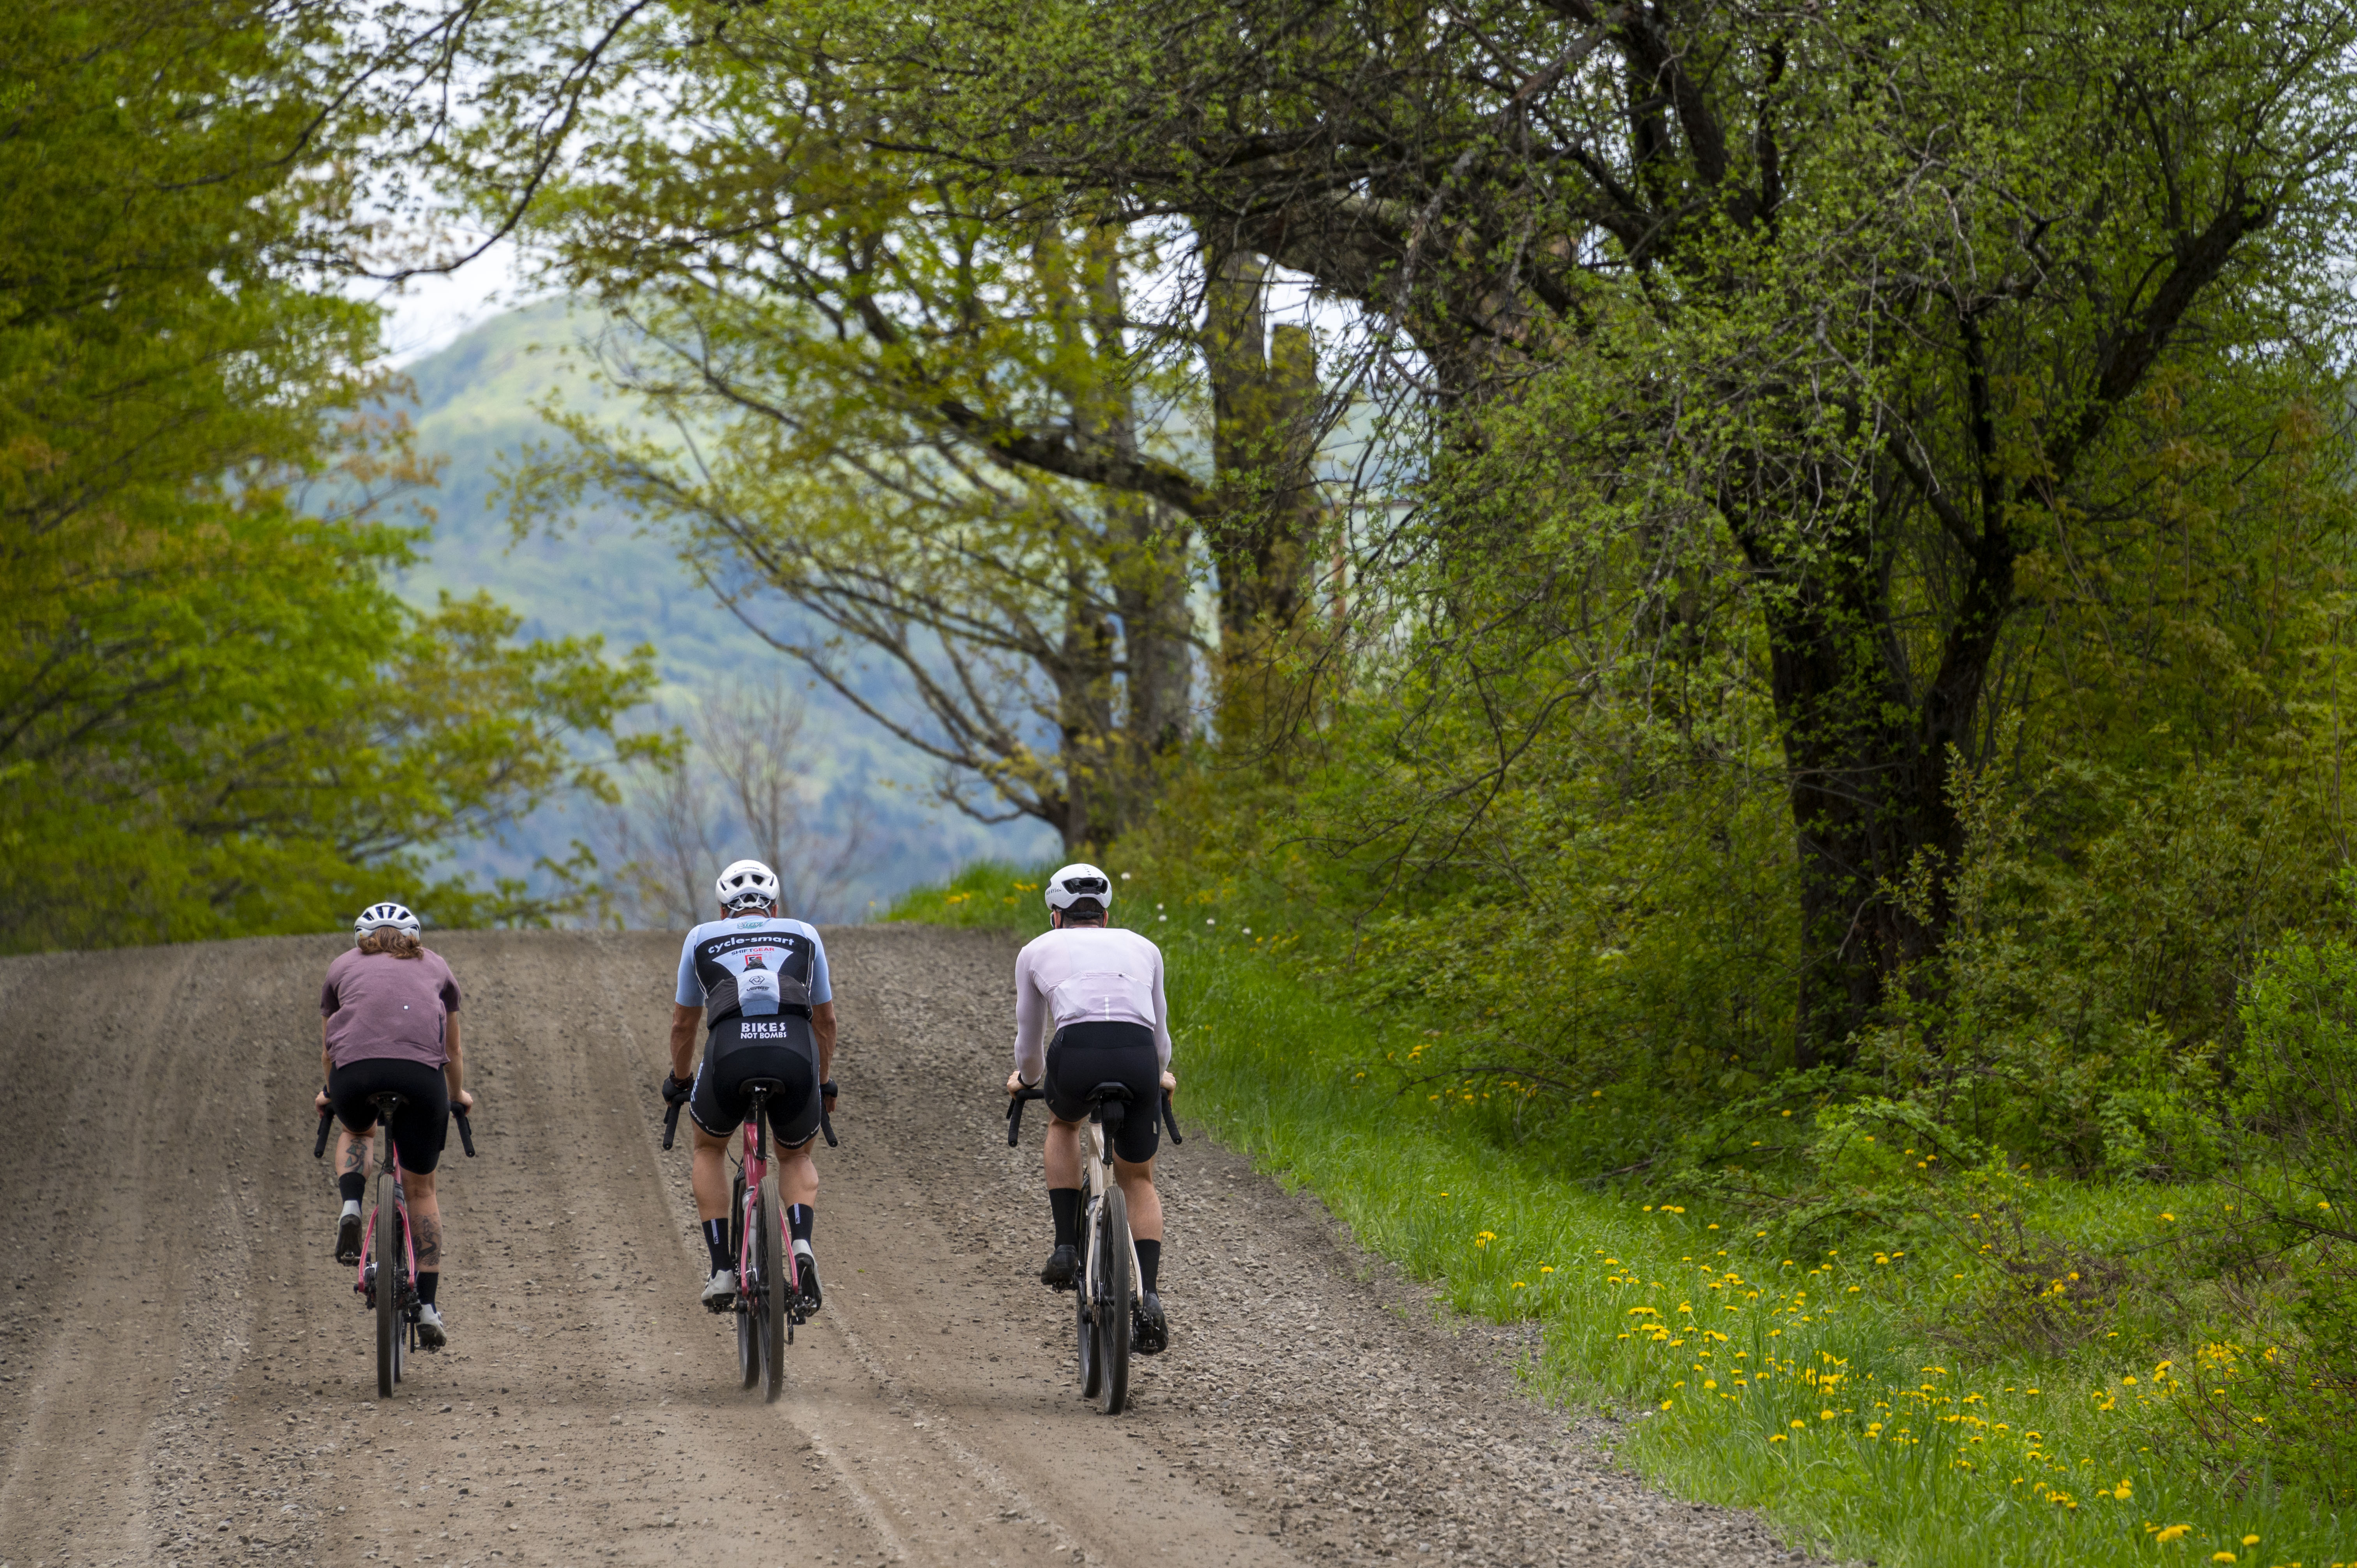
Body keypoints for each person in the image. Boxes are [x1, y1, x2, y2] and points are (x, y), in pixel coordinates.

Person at [1007, 862, 1177, 1354]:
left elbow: (1029, 1045)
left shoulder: (1036, 949)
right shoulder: (1144, 947)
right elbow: (1160, 1038)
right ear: (1105, 916)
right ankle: (1150, 1296)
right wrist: (1160, 1075)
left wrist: (1027, 1082)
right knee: (1138, 1178)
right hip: (1138, 1056)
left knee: (1064, 1123)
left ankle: (1065, 1246)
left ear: (1056, 916)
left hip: (1077, 1053)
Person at [665, 858, 837, 1312]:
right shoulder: (804, 933)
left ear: (723, 911)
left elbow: (683, 1025)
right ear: (774, 908)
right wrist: (823, 1084)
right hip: (794, 1051)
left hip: (730, 1053)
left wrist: (679, 1080)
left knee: (708, 1148)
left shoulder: (701, 937)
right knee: (795, 1155)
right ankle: (801, 1244)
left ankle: (723, 1269)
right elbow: (825, 1022)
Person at [316, 901, 472, 1347]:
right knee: (421, 1189)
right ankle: (427, 1305)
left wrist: (329, 1092)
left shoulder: (341, 966)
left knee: (358, 1130)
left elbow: (330, 1050)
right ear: (414, 937)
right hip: (421, 1078)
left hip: (355, 1076)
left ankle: (351, 1204)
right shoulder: (436, 966)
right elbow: (453, 1051)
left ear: (361, 938)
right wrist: (458, 1096)